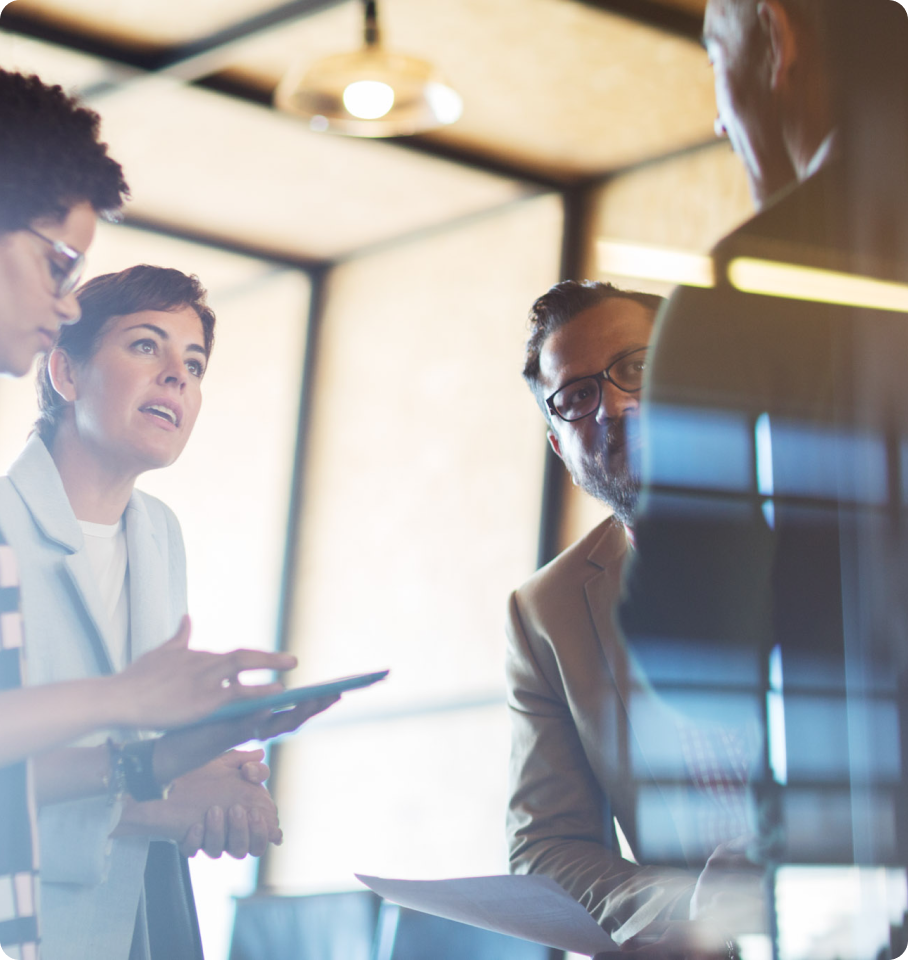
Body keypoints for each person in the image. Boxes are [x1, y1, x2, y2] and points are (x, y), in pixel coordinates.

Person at [0, 69, 308, 960]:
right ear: (66, 372)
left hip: (122, 911)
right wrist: (156, 776)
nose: (178, 375)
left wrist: (206, 764)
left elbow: (127, 742)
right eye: (145, 347)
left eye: (195, 361)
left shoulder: (159, 532)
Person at [619, 0, 908, 946]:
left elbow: (695, 643)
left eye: (714, 60)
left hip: (865, 862)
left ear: (779, 39)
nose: (716, 114)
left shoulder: (756, 285)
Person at [507, 281, 764, 953]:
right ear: (560, 447)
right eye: (577, 397)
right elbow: (547, 846)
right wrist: (685, 908)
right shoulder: (544, 613)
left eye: (637, 369)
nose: (615, 407)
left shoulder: (839, 526)